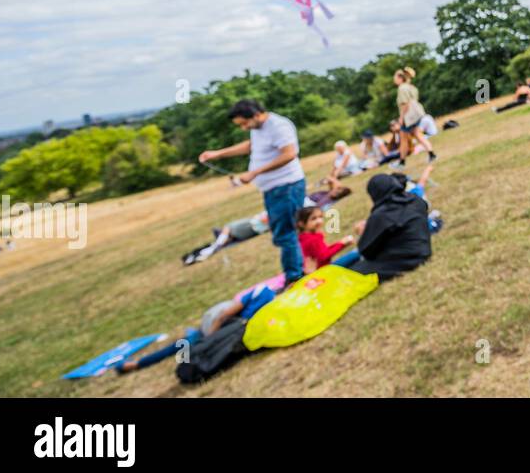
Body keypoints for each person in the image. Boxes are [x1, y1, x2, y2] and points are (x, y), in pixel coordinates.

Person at [199, 100, 307, 284]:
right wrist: (218, 153)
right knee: (281, 231)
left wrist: (254, 173)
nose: (243, 128)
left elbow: (289, 154)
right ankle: (297, 270)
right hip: (272, 190)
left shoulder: (279, 126)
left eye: (244, 123)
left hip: (286, 187)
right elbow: (251, 146)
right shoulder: (258, 129)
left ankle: (295, 276)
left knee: (285, 232)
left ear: (256, 114)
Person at [118, 278, 279, 373]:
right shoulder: (274, 302)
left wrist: (209, 337)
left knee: (183, 344)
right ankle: (136, 364)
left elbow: (224, 316)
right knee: (188, 344)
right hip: (230, 334)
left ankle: (135, 364)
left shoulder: (262, 292)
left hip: (223, 331)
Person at [340, 173, 432, 281]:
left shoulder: (382, 213)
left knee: (348, 273)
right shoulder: (416, 200)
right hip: (423, 251)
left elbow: (365, 250)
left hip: (402, 261)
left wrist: (363, 232)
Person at [394, 67, 436, 164]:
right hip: (417, 114)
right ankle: (431, 154)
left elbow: (405, 104)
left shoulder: (402, 88)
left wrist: (401, 118)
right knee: (417, 134)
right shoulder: (411, 87)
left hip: (409, 117)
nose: (394, 80)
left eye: (395, 77)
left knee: (403, 138)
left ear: (400, 78)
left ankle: (401, 162)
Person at [296, 205, 355, 273]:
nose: (319, 221)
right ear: (301, 224)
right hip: (324, 272)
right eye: (313, 218)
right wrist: (342, 244)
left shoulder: (303, 238)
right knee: (356, 253)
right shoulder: (312, 239)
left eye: (320, 217)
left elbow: (322, 252)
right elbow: (324, 256)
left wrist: (341, 243)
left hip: (320, 271)